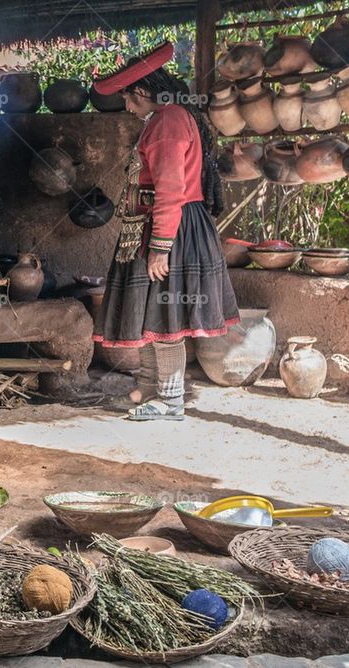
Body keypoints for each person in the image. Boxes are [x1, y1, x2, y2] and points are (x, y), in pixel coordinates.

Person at [92, 42, 240, 421]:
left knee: (164, 315)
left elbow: (170, 188)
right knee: (147, 313)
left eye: (127, 98)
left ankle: (171, 399)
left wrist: (160, 248)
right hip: (162, 227)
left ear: (141, 91)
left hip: (172, 231)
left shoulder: (167, 122)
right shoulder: (168, 118)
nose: (127, 107)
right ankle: (149, 386)